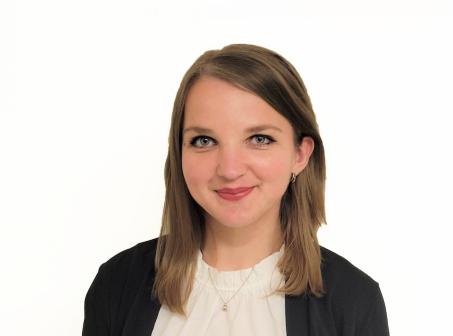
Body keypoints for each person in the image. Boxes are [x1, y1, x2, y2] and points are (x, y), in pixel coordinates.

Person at [82, 43, 389, 336]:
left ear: (300, 154)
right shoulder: (118, 284)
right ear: (179, 153)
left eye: (259, 139)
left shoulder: (353, 301)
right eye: (204, 140)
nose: (229, 169)